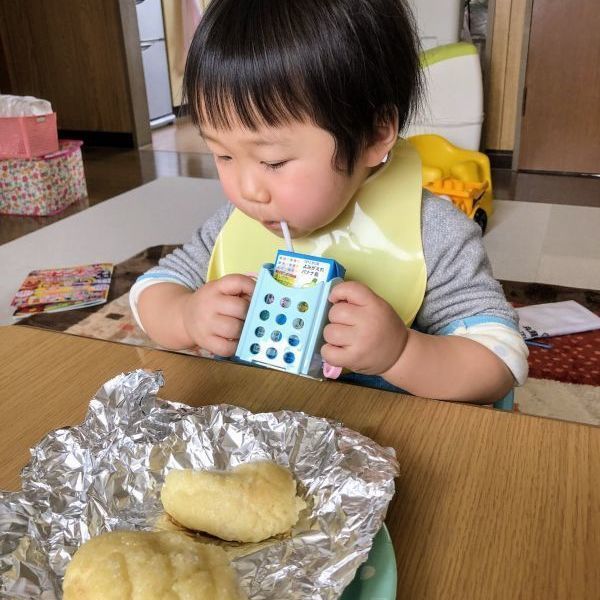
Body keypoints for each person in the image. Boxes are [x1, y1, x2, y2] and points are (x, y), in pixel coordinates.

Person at [130, 0, 528, 404]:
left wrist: (403, 352)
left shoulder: (432, 233)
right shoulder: (240, 221)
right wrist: (186, 315)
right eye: (224, 155)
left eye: (273, 161)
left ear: (375, 135)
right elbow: (152, 290)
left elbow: (499, 361)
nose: (247, 189)